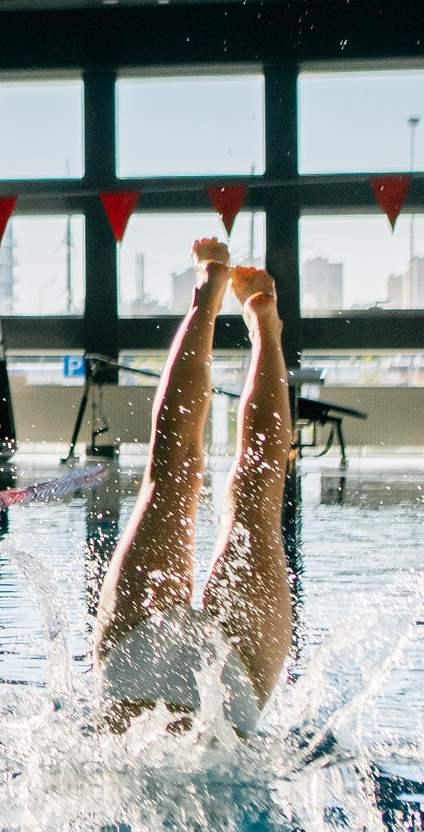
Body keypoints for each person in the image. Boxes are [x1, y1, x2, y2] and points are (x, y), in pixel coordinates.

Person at [94, 239, 293, 735]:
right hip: (195, 687)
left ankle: (234, 310)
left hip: (140, 667)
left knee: (227, 484)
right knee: (194, 479)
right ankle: (244, 314)